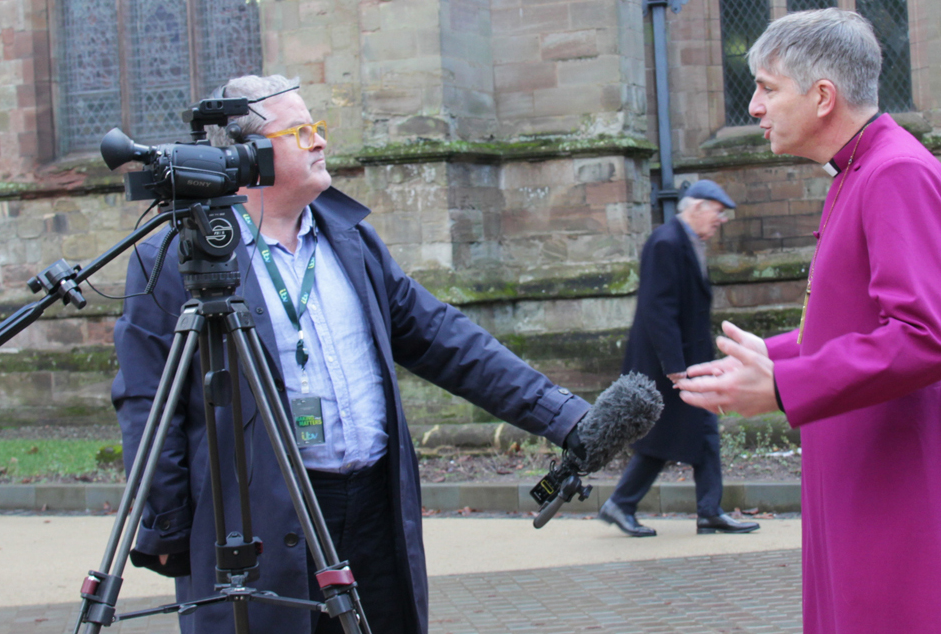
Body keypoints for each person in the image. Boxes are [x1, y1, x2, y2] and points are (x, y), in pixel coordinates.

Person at [111, 74, 592, 634]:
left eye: (316, 127)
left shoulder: (352, 241)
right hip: (260, 525)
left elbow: (446, 340)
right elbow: (148, 403)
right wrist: (167, 526)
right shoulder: (176, 259)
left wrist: (567, 416)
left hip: (374, 516)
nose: (318, 141)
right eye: (299, 131)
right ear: (248, 154)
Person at [676, 9, 941, 634]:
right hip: (864, 449)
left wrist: (781, 387)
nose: (754, 107)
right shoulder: (858, 171)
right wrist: (773, 359)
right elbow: (855, 320)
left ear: (822, 96)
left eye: (768, 88)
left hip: (897, 465)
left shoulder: (895, 173)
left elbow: (926, 336)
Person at [598, 180, 759, 538]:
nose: (721, 220)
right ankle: (622, 503)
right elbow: (658, 310)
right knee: (665, 436)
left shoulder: (686, 242)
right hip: (665, 366)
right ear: (697, 207)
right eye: (717, 212)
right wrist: (675, 368)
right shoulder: (666, 242)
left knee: (701, 430)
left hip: (686, 361)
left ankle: (708, 511)